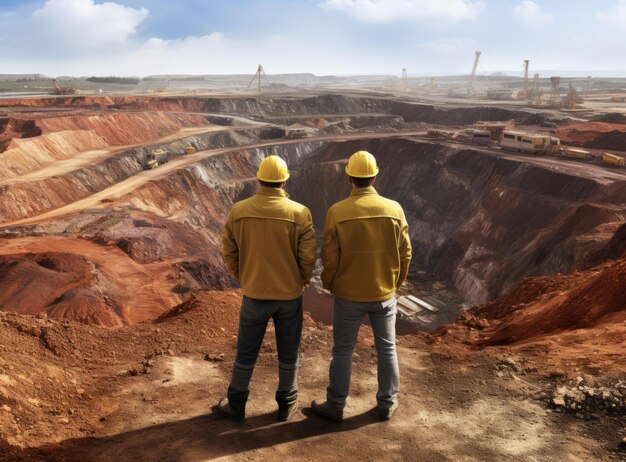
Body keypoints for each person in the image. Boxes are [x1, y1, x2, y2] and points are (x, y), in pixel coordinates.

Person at [312, 150, 412, 422]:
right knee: (387, 348)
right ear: (375, 177)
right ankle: (387, 403)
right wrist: (394, 283)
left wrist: (331, 284)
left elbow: (330, 257)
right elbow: (405, 253)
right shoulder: (394, 209)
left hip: (349, 295)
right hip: (384, 294)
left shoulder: (337, 212)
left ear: (349, 178)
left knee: (343, 350)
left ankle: (335, 405)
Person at [218, 155, 316, 422]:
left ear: (259, 179)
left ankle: (236, 402)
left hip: (254, 294)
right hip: (289, 296)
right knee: (289, 349)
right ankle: (287, 404)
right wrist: (301, 281)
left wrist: (245, 276)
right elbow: (308, 257)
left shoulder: (239, 211)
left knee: (247, 349)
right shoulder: (299, 213)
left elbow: (229, 250)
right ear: (284, 181)